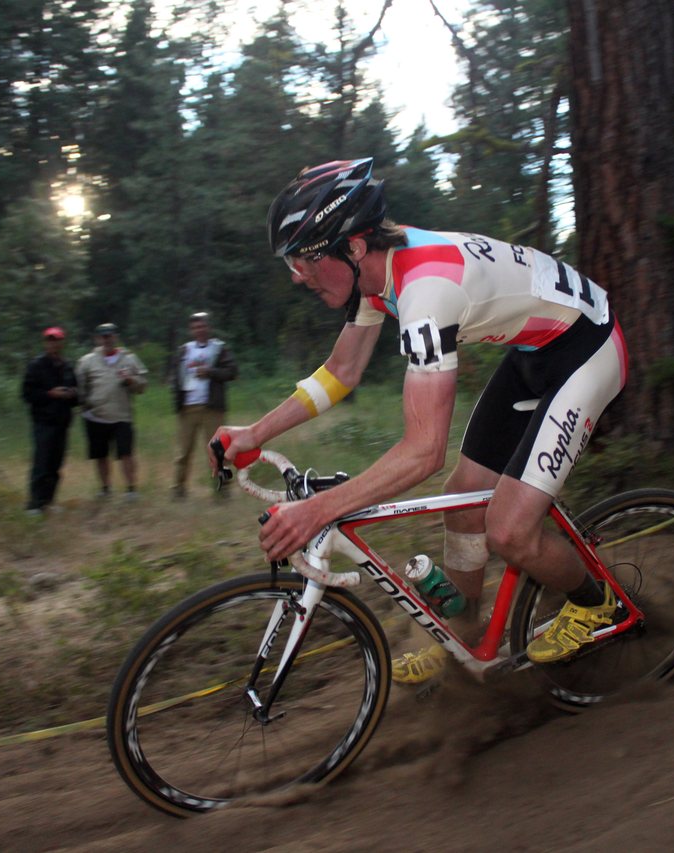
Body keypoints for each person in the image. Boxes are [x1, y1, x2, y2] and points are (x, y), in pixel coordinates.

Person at [211, 157, 628, 684]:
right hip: (536, 348)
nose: (298, 276)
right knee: (463, 502)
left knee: (508, 529)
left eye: (305, 259)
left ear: (354, 246)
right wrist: (255, 433)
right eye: (291, 262)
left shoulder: (425, 293)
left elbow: (424, 451)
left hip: (588, 348)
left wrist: (318, 510)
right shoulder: (374, 271)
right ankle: (466, 637)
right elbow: (341, 372)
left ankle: (599, 605)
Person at [170, 312, 238, 498]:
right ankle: (178, 489)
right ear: (191, 329)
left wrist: (210, 372)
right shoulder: (185, 350)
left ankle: (222, 490)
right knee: (183, 452)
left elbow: (232, 372)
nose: (199, 329)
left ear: (209, 327)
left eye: (202, 326)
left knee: (218, 451)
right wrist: (177, 403)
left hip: (212, 408)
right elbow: (175, 377)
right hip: (188, 408)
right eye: (196, 326)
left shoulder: (219, 348)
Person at [76, 323, 148, 499]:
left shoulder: (129, 359)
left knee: (126, 453)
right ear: (98, 339)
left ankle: (131, 488)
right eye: (103, 336)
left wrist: (130, 379)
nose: (107, 339)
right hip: (96, 415)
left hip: (122, 415)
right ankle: (105, 488)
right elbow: (79, 386)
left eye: (110, 336)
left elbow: (143, 385)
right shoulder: (87, 361)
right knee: (101, 455)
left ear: (116, 337)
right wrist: (84, 405)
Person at [20, 326, 79, 514]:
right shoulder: (36, 365)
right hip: (43, 422)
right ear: (45, 343)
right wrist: (49, 394)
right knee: (42, 462)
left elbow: (77, 395)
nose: (53, 344)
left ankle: (49, 501)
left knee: (56, 464)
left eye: (57, 340)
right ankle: (34, 504)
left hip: (62, 421)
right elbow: (27, 394)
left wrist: (72, 394)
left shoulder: (67, 366)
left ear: (62, 343)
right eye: (50, 340)